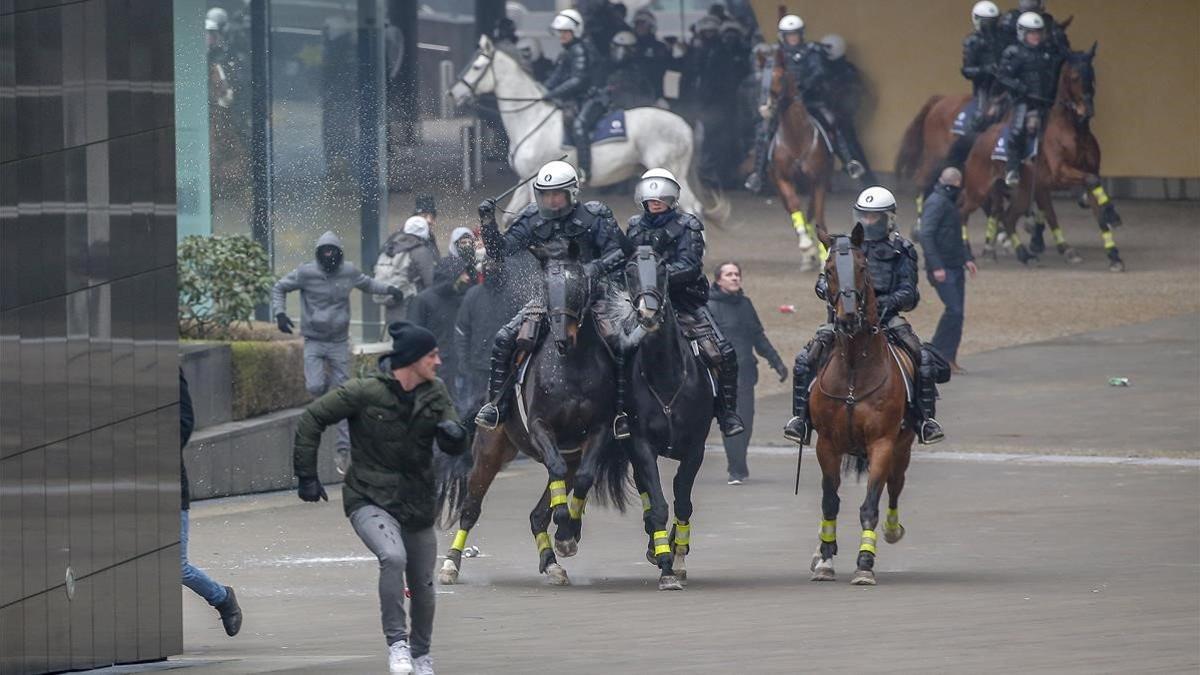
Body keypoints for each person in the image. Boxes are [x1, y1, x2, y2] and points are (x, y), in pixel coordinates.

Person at [293, 321, 469, 675]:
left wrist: (454, 436)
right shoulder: (365, 392)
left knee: (424, 584)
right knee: (392, 556)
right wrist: (307, 475)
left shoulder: (436, 393)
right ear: (412, 359)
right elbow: (313, 418)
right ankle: (397, 645)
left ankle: (421, 655)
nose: (438, 361)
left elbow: (456, 438)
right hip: (369, 498)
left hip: (416, 503)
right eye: (432, 355)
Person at [473, 160, 630, 432]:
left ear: (572, 193)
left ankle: (623, 411)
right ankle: (497, 405)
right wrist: (488, 223)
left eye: (557, 194)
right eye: (545, 194)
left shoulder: (595, 216)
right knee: (504, 339)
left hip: (594, 298)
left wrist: (592, 269)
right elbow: (499, 252)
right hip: (548, 300)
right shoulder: (531, 218)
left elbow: (619, 252)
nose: (551, 200)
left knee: (621, 342)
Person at [784, 186, 945, 445]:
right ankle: (800, 420)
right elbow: (824, 280)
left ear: (887, 218)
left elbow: (909, 293)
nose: (869, 222)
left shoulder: (902, 249)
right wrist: (828, 290)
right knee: (805, 359)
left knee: (922, 358)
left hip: (886, 319)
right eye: (865, 216)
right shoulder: (843, 246)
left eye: (875, 217)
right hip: (842, 318)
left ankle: (925, 420)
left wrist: (883, 303)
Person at [624, 169, 745, 438]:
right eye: (650, 198)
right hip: (641, 302)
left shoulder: (688, 225)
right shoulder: (634, 226)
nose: (655, 202)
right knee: (614, 349)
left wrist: (656, 278)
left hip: (683, 300)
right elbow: (628, 262)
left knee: (723, 352)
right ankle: (617, 411)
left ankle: (727, 413)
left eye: (661, 197)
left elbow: (690, 265)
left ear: (672, 198)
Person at [272, 231, 401, 473]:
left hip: (339, 342)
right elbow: (279, 288)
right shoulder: (305, 272)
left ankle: (343, 451)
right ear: (319, 254)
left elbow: (368, 284)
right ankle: (320, 418)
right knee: (314, 386)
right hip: (314, 339)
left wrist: (390, 289)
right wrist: (279, 313)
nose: (329, 255)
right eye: (325, 252)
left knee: (343, 397)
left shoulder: (348, 271)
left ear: (339, 253)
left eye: (333, 251)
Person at [745, 15, 872, 193]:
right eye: (789, 35)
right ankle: (758, 174)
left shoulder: (812, 52)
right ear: (783, 36)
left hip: (810, 101)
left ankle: (849, 162)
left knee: (831, 121)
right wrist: (766, 102)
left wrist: (803, 87)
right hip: (784, 104)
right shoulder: (776, 57)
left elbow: (819, 72)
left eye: (795, 35)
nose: (793, 38)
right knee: (763, 129)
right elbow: (768, 81)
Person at [707, 262, 787, 483]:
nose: (734, 278)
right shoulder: (709, 306)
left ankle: (739, 465)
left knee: (747, 421)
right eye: (729, 274)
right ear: (718, 280)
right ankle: (736, 469)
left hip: (746, 373)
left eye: (737, 274)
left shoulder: (745, 304)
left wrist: (776, 362)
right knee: (732, 420)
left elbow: (758, 337)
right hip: (721, 374)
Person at [180, 370, 242, 637]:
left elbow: (184, 421)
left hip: (167, 485)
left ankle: (221, 598)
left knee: (175, 565)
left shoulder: (165, 366)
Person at [407, 228, 478, 402]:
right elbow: (413, 335)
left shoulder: (464, 299)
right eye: (463, 273)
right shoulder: (424, 301)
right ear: (452, 275)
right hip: (436, 367)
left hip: (459, 367)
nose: (468, 277)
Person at [918, 168, 977, 374]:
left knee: (957, 314)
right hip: (943, 269)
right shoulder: (937, 203)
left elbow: (955, 237)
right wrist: (936, 266)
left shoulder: (948, 202)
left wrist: (967, 259)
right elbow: (926, 235)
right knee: (954, 311)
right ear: (956, 183)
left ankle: (948, 357)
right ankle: (936, 354)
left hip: (954, 266)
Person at [453, 257, 529, 420]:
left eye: (496, 263)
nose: (492, 267)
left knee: (507, 414)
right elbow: (462, 331)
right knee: (475, 412)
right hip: (478, 368)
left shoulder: (515, 295)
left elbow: (524, 330)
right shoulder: (473, 295)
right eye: (488, 263)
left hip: (507, 368)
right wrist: (464, 363)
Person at [543, 9, 605, 184]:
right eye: (560, 32)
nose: (561, 36)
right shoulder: (567, 51)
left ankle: (585, 171)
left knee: (579, 126)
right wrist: (542, 91)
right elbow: (557, 76)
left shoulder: (580, 50)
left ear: (575, 31)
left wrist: (553, 93)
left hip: (594, 98)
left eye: (564, 32)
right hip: (578, 99)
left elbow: (578, 80)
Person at [998, 12, 1059, 187]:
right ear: (1022, 33)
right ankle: (1012, 169)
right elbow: (1002, 76)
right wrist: (1018, 86)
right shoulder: (1013, 52)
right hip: (1023, 101)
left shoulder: (1046, 53)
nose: (1036, 36)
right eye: (1032, 33)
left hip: (1045, 101)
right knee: (1017, 130)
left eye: (1038, 32)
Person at [376, 215, 441, 326]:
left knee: (397, 340)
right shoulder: (420, 251)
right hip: (412, 308)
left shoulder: (391, 246)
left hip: (391, 306)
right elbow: (430, 281)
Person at [606, 30, 657, 109]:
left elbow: (647, 96)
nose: (619, 52)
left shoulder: (640, 72)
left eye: (624, 48)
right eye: (616, 46)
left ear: (632, 50)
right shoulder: (603, 68)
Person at [631, 9, 671, 101]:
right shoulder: (631, 46)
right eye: (637, 24)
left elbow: (669, 73)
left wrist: (665, 97)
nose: (640, 27)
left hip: (656, 93)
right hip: (634, 93)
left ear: (651, 26)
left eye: (643, 24)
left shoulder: (660, 47)